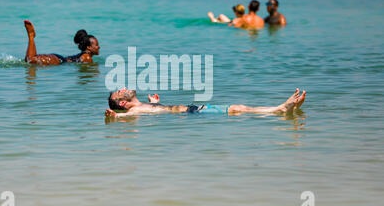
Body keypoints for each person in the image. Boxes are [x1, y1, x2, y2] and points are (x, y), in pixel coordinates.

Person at [105, 88, 306, 118]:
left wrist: (155, 102)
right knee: (236, 109)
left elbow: (149, 110)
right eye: (120, 92)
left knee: (239, 108)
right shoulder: (135, 111)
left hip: (190, 111)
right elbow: (129, 115)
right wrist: (116, 117)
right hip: (191, 113)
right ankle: (280, 109)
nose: (123, 88)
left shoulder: (143, 106)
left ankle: (280, 109)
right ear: (122, 103)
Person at [24, 20, 100, 65]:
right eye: (96, 45)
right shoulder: (87, 57)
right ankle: (31, 35)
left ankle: (31, 37)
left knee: (29, 60)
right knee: (31, 60)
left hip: (59, 59)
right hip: (59, 61)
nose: (98, 47)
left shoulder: (84, 55)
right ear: (89, 47)